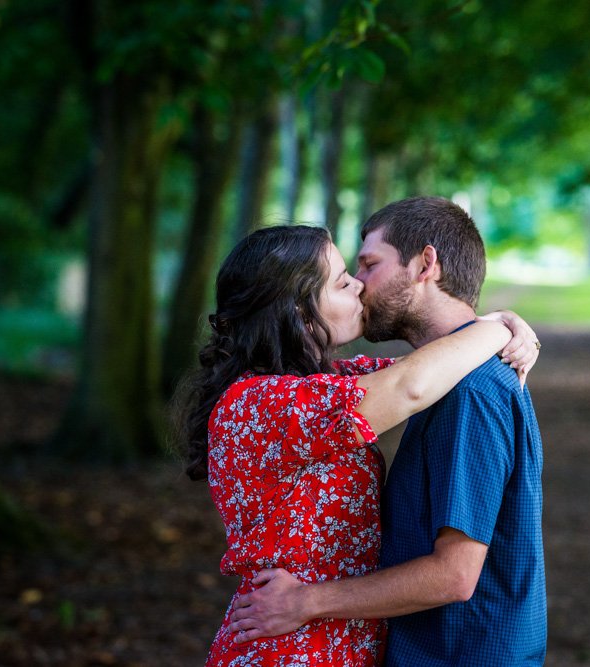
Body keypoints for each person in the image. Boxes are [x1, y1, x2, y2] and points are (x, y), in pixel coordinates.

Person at [175, 223, 540, 666]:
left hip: (338, 641)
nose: (359, 287)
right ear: (298, 309)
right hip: (289, 646)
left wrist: (503, 325)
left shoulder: (330, 384)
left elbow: (434, 363)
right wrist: (499, 329)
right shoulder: (260, 403)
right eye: (343, 279)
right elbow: (411, 385)